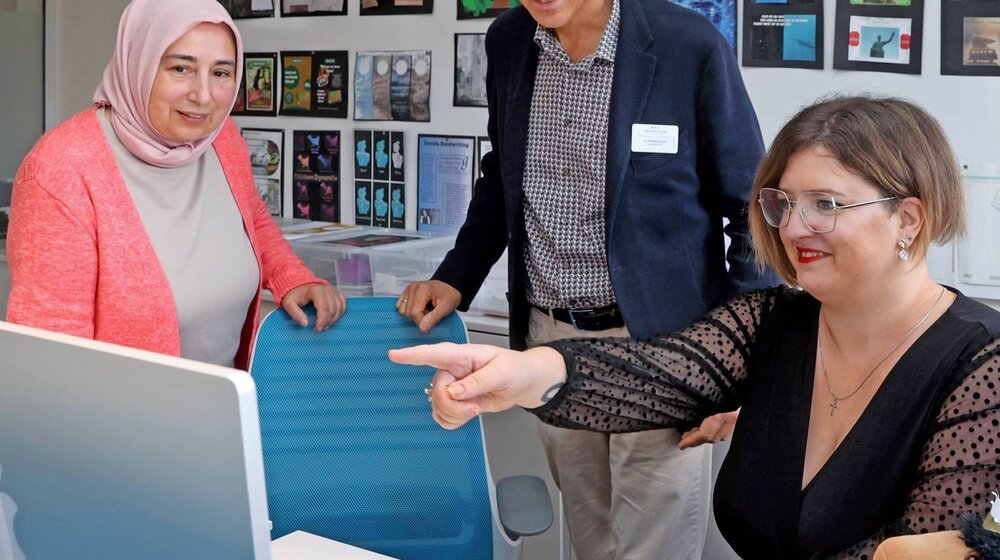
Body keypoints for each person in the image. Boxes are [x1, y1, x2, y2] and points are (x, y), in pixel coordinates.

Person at [391, 96, 1000, 559]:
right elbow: (654, 372)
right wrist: (524, 372)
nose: (793, 228)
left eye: (827, 204)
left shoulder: (981, 362)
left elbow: (934, 544)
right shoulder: (774, 322)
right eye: (783, 204)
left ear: (909, 219)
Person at [396, 0, 775, 557]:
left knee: (655, 547)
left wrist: (739, 359)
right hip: (551, 342)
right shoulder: (509, 39)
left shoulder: (687, 45)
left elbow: (753, 216)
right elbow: (504, 175)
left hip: (663, 350)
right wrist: (457, 275)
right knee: (588, 537)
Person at [6, 0, 345, 370]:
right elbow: (52, 359)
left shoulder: (222, 140)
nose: (202, 96)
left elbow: (253, 220)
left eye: (220, 73)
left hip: (222, 412)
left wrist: (292, 277)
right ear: (139, 63)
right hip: (119, 423)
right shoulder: (59, 171)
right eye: (181, 68)